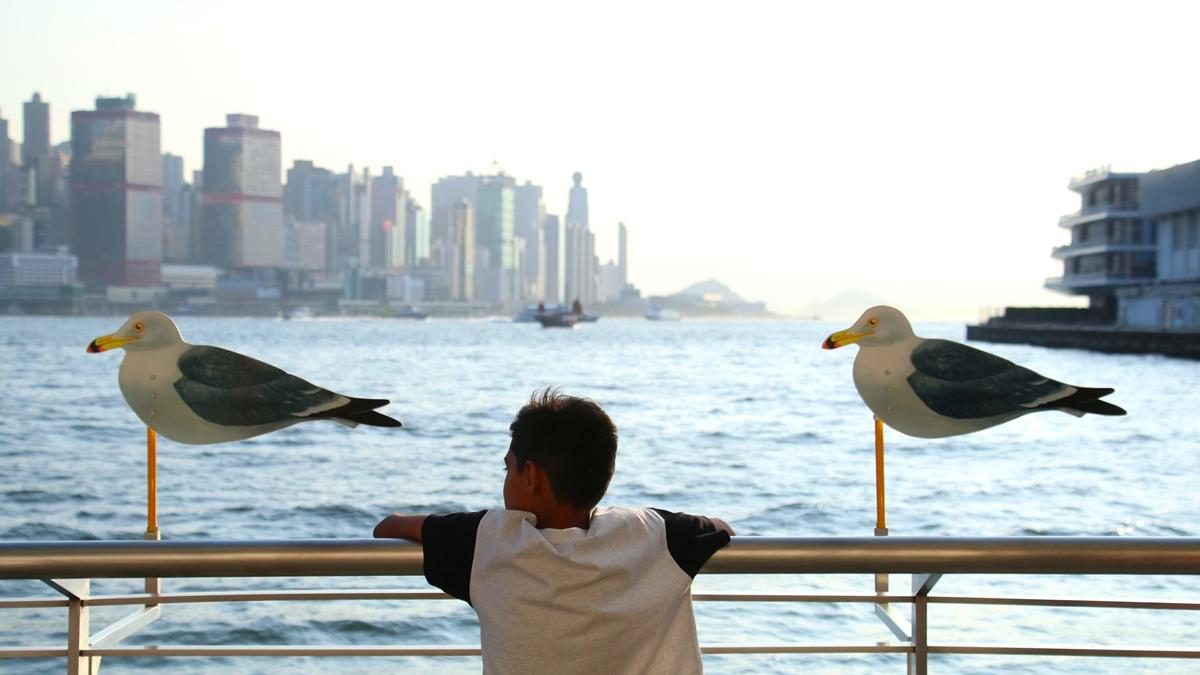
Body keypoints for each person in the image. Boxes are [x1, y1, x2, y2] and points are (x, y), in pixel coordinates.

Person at [374, 388, 734, 674]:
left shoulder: (485, 540)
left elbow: (387, 527)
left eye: (507, 469)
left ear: (531, 476)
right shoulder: (660, 535)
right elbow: (720, 529)